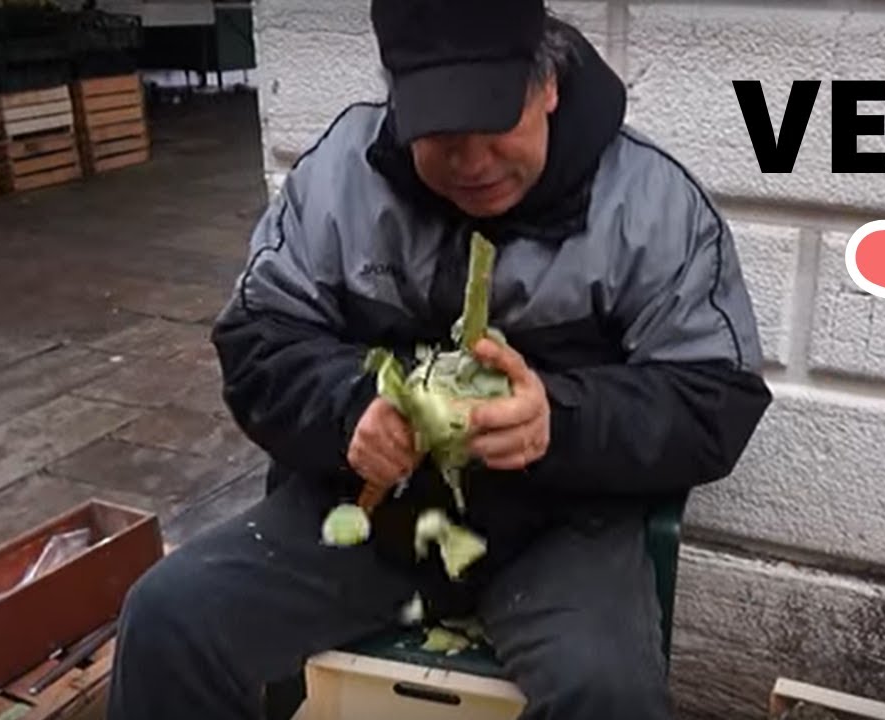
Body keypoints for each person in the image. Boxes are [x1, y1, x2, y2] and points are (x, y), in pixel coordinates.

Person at [105, 0, 771, 718]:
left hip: (560, 530)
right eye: (441, 132)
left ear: (548, 84)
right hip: (368, 515)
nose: (473, 163)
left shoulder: (651, 203)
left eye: (494, 122)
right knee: (169, 618)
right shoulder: (340, 178)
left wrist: (560, 422)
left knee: (606, 693)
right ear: (398, 97)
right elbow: (256, 340)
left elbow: (715, 399)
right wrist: (351, 410)